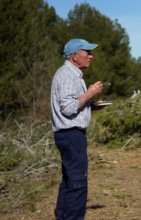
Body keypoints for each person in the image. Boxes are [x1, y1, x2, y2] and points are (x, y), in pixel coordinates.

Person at [51, 38, 105, 220]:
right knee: (77, 184)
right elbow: (67, 108)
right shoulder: (67, 75)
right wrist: (90, 93)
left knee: (69, 182)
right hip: (71, 135)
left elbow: (72, 104)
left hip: (69, 136)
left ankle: (62, 216)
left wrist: (90, 105)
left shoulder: (70, 74)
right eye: (87, 53)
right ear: (75, 56)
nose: (91, 56)